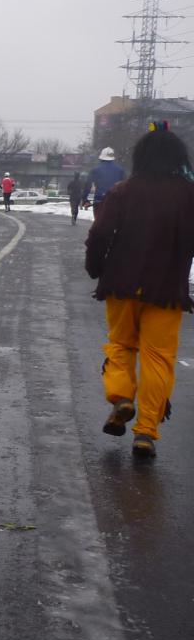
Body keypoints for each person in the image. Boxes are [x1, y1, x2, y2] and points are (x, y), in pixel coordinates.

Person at [84, 126, 194, 458]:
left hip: (121, 284)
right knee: (158, 358)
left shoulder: (123, 191)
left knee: (121, 344)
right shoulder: (189, 195)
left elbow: (99, 233)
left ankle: (121, 398)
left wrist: (96, 267)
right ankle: (146, 431)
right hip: (167, 290)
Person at [85, 147, 126, 217]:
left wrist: (86, 200)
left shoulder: (95, 170)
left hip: (99, 202)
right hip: (115, 203)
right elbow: (124, 187)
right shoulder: (120, 171)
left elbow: (88, 185)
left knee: (99, 222)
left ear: (101, 158)